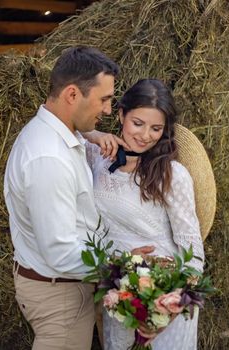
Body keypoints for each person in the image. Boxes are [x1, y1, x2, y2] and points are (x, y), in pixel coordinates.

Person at [3, 46, 120, 350]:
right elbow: (61, 251)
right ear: (72, 95)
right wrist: (124, 267)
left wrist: (88, 135)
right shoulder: (48, 158)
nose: (107, 110)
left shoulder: (56, 135)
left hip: (64, 287)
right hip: (59, 298)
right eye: (103, 99)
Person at [84, 79, 205, 349]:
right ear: (120, 114)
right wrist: (93, 135)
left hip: (164, 294)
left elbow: (192, 250)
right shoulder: (96, 158)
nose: (145, 135)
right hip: (120, 289)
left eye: (156, 128)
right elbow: (62, 125)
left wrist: (170, 302)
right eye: (137, 123)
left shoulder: (172, 175)